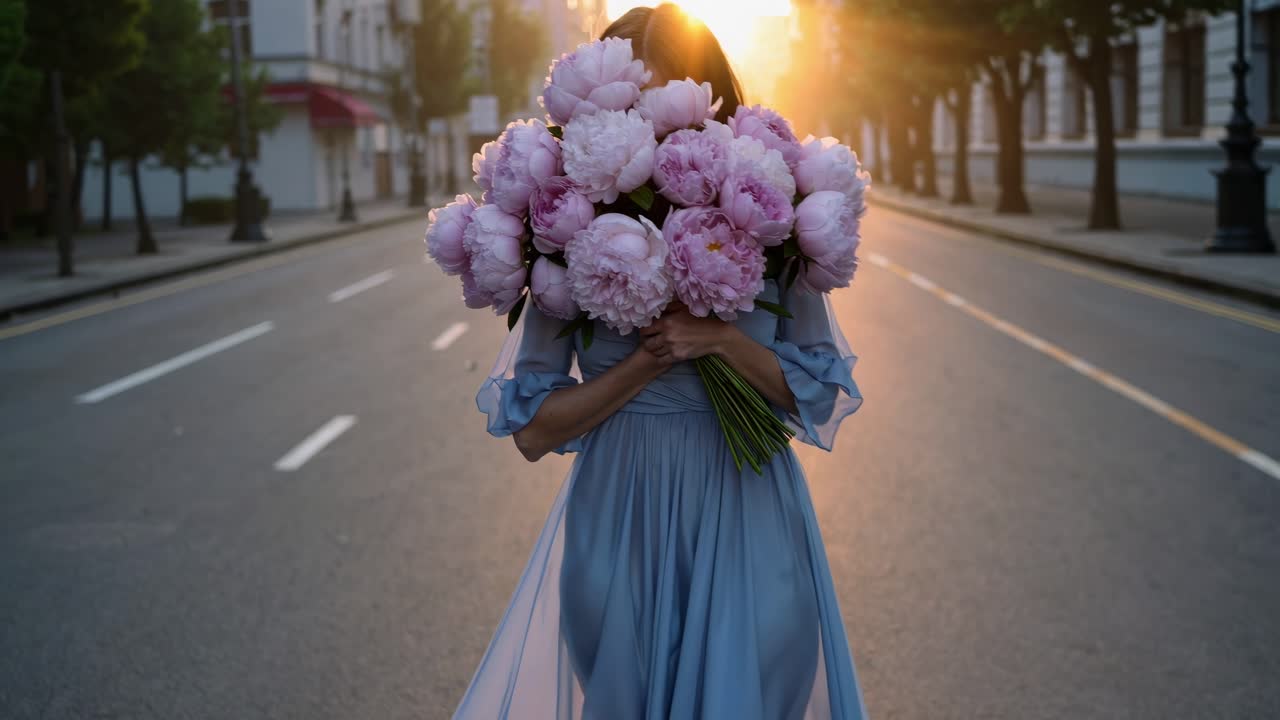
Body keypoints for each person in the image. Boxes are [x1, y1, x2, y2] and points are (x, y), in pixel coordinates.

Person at [454, 5, 867, 718]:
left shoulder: (771, 210)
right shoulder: (563, 228)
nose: (652, 128)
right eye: (633, 106)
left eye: (668, 100)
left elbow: (818, 395)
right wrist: (646, 363)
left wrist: (721, 341)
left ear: (710, 100)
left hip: (749, 509)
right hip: (620, 520)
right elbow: (533, 431)